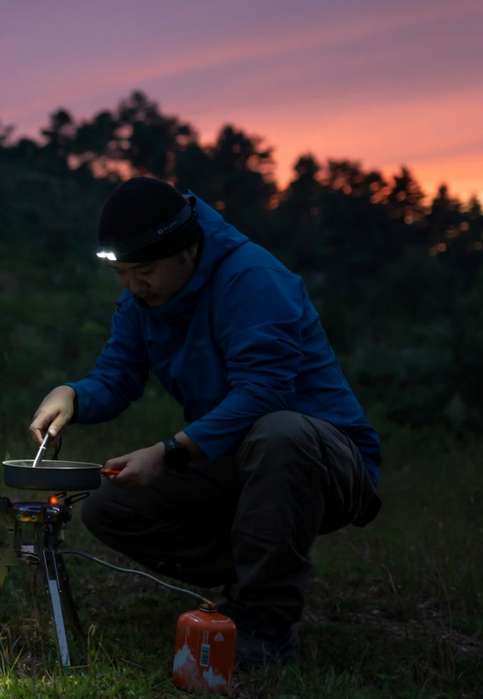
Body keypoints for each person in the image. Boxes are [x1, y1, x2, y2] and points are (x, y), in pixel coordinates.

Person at [29, 177, 381, 666]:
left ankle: (267, 622)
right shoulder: (143, 300)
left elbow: (265, 393)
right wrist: (73, 395)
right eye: (123, 274)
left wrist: (172, 452)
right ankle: (259, 573)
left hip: (325, 460)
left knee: (280, 432)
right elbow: (118, 376)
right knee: (109, 508)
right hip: (236, 456)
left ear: (187, 250)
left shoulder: (253, 278)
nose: (133, 286)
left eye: (145, 271)